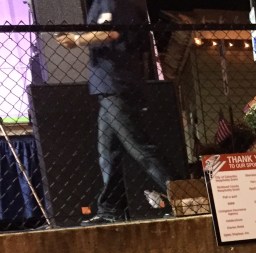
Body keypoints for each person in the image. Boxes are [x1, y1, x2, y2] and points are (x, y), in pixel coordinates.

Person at [55, 0, 172, 225]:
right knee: (108, 152)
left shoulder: (114, 2)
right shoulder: (101, 3)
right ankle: (109, 209)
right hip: (107, 87)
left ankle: (185, 195)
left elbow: (111, 33)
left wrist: (76, 39)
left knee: (139, 148)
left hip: (117, 85)